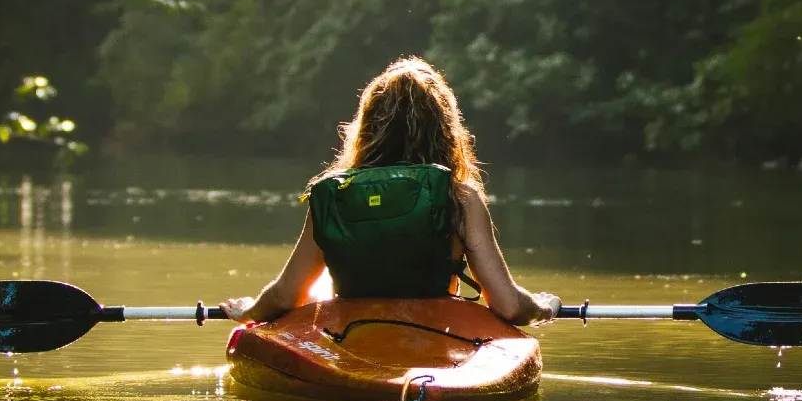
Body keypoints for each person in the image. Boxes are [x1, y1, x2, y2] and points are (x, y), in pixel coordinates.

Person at [219, 57, 560, 326]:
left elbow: (284, 297)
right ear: (445, 130)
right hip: (435, 339)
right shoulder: (460, 199)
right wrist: (543, 307)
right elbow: (509, 306)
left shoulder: (335, 195)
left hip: (350, 337)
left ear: (367, 127)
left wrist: (250, 311)